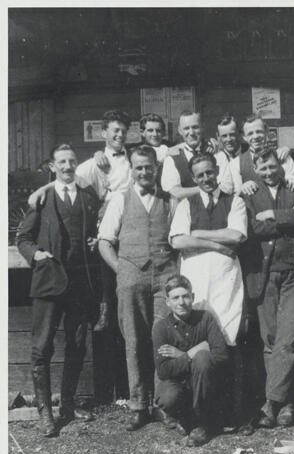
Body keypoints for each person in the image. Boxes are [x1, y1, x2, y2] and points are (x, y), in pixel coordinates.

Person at [17, 144, 100, 437]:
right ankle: (45, 413)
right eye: (62, 162)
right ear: (53, 166)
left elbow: (96, 233)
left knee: (77, 344)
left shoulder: (89, 198)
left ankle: (67, 404)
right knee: (42, 347)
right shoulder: (42, 199)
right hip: (49, 283)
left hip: (79, 285)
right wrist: (35, 254)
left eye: (71, 161)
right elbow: (23, 238)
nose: (67, 166)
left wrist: (94, 242)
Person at [27, 109, 133, 332]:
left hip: (132, 227)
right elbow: (66, 179)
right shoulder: (90, 165)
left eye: (124, 131)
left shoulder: (135, 158)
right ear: (104, 133)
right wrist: (41, 191)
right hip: (109, 228)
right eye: (115, 130)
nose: (120, 135)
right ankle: (105, 314)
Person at [98, 145, 177, 431]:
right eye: (139, 167)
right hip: (131, 279)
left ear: (156, 168)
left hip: (165, 278)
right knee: (134, 342)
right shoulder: (119, 200)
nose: (144, 172)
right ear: (132, 169)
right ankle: (138, 405)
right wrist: (122, 271)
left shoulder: (170, 201)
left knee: (163, 341)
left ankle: (163, 405)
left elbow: (178, 238)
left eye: (149, 167)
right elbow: (105, 242)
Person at [241, 148, 294, 431]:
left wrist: (273, 214)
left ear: (280, 165)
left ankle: (272, 404)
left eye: (272, 166)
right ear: (255, 170)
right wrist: (288, 220)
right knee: (271, 339)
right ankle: (286, 402)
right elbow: (253, 229)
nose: (269, 172)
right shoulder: (249, 194)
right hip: (264, 276)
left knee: (288, 338)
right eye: (263, 169)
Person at [169, 152, 247, 427]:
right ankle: (200, 416)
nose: (206, 179)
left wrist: (199, 234)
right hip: (197, 279)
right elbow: (178, 241)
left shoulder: (234, 201)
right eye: (200, 175)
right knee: (198, 346)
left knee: (227, 340)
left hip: (227, 281)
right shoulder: (186, 205)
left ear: (217, 172)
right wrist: (215, 243)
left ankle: (231, 414)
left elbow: (236, 235)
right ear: (194, 178)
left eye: (209, 173)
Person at [153, 274, 229, 446]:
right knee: (167, 397)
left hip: (205, 384)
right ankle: (184, 418)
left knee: (202, 357)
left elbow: (221, 354)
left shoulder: (205, 318)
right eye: (175, 298)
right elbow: (164, 371)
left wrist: (181, 355)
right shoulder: (161, 328)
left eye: (185, 296)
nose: (181, 302)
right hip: (179, 385)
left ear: (192, 297)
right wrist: (190, 353)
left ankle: (202, 424)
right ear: (167, 302)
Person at [215, 113, 294, 195]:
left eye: (259, 131)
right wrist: (243, 188)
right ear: (244, 137)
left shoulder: (283, 156)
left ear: (266, 131)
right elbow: (236, 195)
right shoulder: (235, 163)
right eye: (250, 133)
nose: (255, 137)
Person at [160, 110, 217, 200]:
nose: (191, 133)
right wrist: (205, 188)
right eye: (186, 128)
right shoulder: (172, 157)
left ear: (202, 127)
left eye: (195, 127)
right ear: (180, 130)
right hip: (187, 211)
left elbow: (225, 185)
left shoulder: (215, 151)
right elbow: (174, 191)